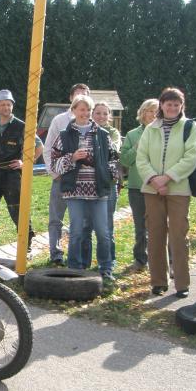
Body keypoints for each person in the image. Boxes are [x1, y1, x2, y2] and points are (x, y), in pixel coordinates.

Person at [136, 87, 196, 298]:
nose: (172, 107)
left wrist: (168, 177)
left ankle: (182, 283)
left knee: (178, 236)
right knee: (155, 235)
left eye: (176, 104)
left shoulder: (191, 127)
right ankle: (158, 282)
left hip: (178, 189)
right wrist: (154, 180)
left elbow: (191, 157)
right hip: (152, 188)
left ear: (181, 106)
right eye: (168, 104)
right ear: (162, 105)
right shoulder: (150, 128)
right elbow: (141, 158)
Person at [50, 94, 117, 281]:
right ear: (73, 110)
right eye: (81, 109)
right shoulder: (64, 135)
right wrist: (72, 158)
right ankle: (75, 268)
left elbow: (113, 159)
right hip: (74, 191)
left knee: (103, 232)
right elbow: (54, 163)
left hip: (98, 191)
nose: (85, 113)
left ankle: (106, 268)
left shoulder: (102, 135)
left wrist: (109, 175)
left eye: (88, 110)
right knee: (77, 231)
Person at [0, 89, 43, 255]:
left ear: (12, 106)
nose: (6, 107)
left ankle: (26, 242)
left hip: (12, 174)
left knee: (17, 209)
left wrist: (25, 163)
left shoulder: (22, 126)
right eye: (2, 104)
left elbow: (39, 146)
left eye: (8, 104)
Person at [43, 83, 90, 265]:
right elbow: (48, 148)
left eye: (85, 94)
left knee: (80, 219)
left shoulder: (91, 121)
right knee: (56, 218)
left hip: (83, 179)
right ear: (71, 98)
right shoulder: (59, 120)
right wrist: (54, 173)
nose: (81, 97)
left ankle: (76, 255)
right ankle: (56, 253)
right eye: (78, 95)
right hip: (61, 177)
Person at [119, 98, 159, 271]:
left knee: (159, 225)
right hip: (137, 187)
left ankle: (160, 259)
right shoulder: (132, 134)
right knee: (141, 227)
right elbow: (125, 160)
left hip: (158, 186)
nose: (153, 114)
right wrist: (137, 147)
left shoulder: (164, 133)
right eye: (150, 111)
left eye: (156, 111)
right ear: (143, 113)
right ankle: (141, 259)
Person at [81, 101, 122, 269]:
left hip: (107, 183)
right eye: (98, 113)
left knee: (106, 225)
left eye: (105, 113)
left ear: (109, 116)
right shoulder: (83, 130)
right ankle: (83, 262)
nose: (101, 116)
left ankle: (108, 262)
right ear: (92, 114)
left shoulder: (112, 133)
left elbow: (112, 151)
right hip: (87, 183)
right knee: (85, 224)